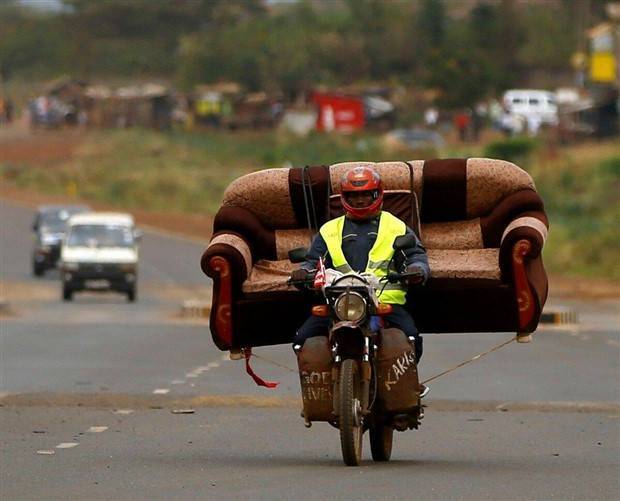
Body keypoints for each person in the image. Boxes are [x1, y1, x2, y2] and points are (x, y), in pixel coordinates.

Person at [290, 166, 431, 396]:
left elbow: (415, 255)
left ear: (378, 195)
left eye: (366, 194)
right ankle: (323, 387)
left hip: (383, 303)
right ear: (344, 198)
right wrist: (302, 272)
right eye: (353, 196)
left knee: (411, 337)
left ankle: (406, 384)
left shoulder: (395, 227)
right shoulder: (329, 230)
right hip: (339, 304)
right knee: (301, 340)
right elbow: (312, 261)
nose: (359, 200)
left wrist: (417, 269)